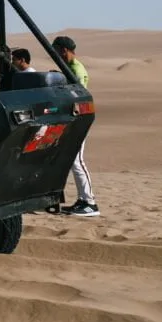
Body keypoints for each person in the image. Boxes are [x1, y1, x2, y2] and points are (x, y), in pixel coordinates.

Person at [53, 35, 100, 217]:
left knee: (77, 161)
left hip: (78, 119)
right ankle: (83, 200)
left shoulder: (76, 69)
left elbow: (77, 95)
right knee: (73, 162)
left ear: (63, 50)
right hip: (71, 119)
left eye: (56, 50)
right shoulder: (69, 68)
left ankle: (90, 202)